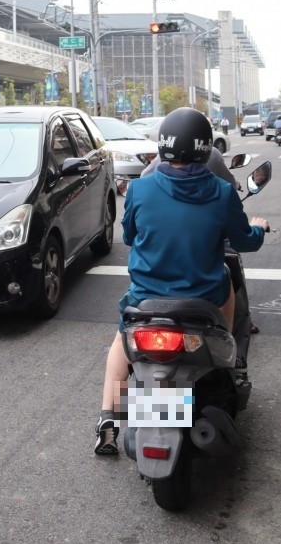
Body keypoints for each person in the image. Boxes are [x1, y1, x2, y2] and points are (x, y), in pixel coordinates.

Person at [94, 108, 268, 456]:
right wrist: (260, 228)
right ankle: (228, 356)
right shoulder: (221, 192)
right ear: (206, 149)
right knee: (226, 278)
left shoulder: (140, 189)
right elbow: (245, 241)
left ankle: (108, 422)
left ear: (163, 147)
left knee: (120, 341)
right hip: (202, 302)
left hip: (145, 302)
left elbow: (128, 236)